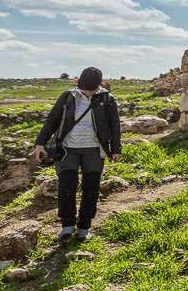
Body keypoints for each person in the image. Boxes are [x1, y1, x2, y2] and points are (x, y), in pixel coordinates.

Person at [33, 67, 122, 241]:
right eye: (84, 88)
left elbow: (114, 125)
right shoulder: (68, 96)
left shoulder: (108, 99)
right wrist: (39, 143)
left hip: (94, 150)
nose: (87, 92)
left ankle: (84, 228)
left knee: (91, 189)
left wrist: (116, 149)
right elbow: (52, 120)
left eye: (91, 89)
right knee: (67, 186)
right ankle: (67, 226)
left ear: (99, 85)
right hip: (68, 149)